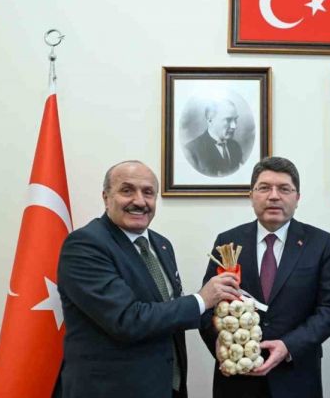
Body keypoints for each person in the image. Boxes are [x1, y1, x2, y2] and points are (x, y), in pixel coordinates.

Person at [57, 160, 240, 398]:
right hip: (111, 390)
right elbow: (127, 320)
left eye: (148, 192)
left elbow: (168, 312)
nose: (139, 201)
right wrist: (201, 300)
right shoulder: (85, 245)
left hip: (165, 386)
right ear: (106, 197)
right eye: (127, 190)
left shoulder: (161, 244)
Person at [199, 156, 330, 398]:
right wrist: (222, 345)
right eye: (264, 188)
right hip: (237, 377)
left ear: (297, 198)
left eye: (284, 189)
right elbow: (207, 306)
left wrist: (288, 346)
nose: (274, 196)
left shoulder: (321, 243)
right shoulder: (228, 242)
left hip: (295, 377)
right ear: (251, 195)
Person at [184, 99, 244, 177]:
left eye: (235, 119)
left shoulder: (235, 146)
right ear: (210, 121)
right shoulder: (191, 150)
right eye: (228, 120)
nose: (234, 126)